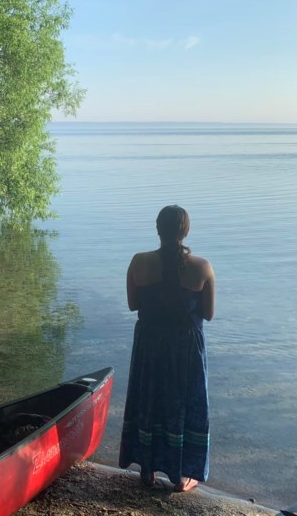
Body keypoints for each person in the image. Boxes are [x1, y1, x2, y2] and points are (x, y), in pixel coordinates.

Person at [119, 205, 215, 492]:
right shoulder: (202, 267)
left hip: (150, 344)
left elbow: (133, 304)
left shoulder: (138, 262)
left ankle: (147, 469)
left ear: (158, 229)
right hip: (185, 347)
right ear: (185, 232)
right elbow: (208, 314)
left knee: (150, 399)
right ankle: (182, 474)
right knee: (185, 404)